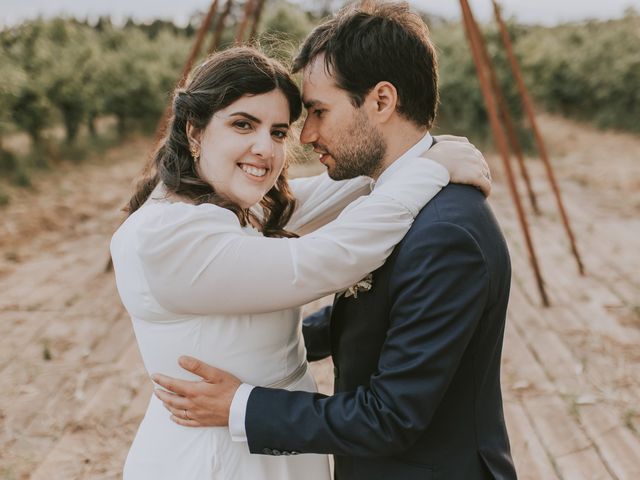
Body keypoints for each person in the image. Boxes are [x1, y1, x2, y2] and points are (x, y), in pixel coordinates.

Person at [153, 2, 517, 479]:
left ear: (381, 101)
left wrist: (240, 406)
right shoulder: (395, 200)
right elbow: (377, 314)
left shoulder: (447, 233)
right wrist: (251, 346)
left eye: (319, 111)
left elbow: (389, 416)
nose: (308, 134)